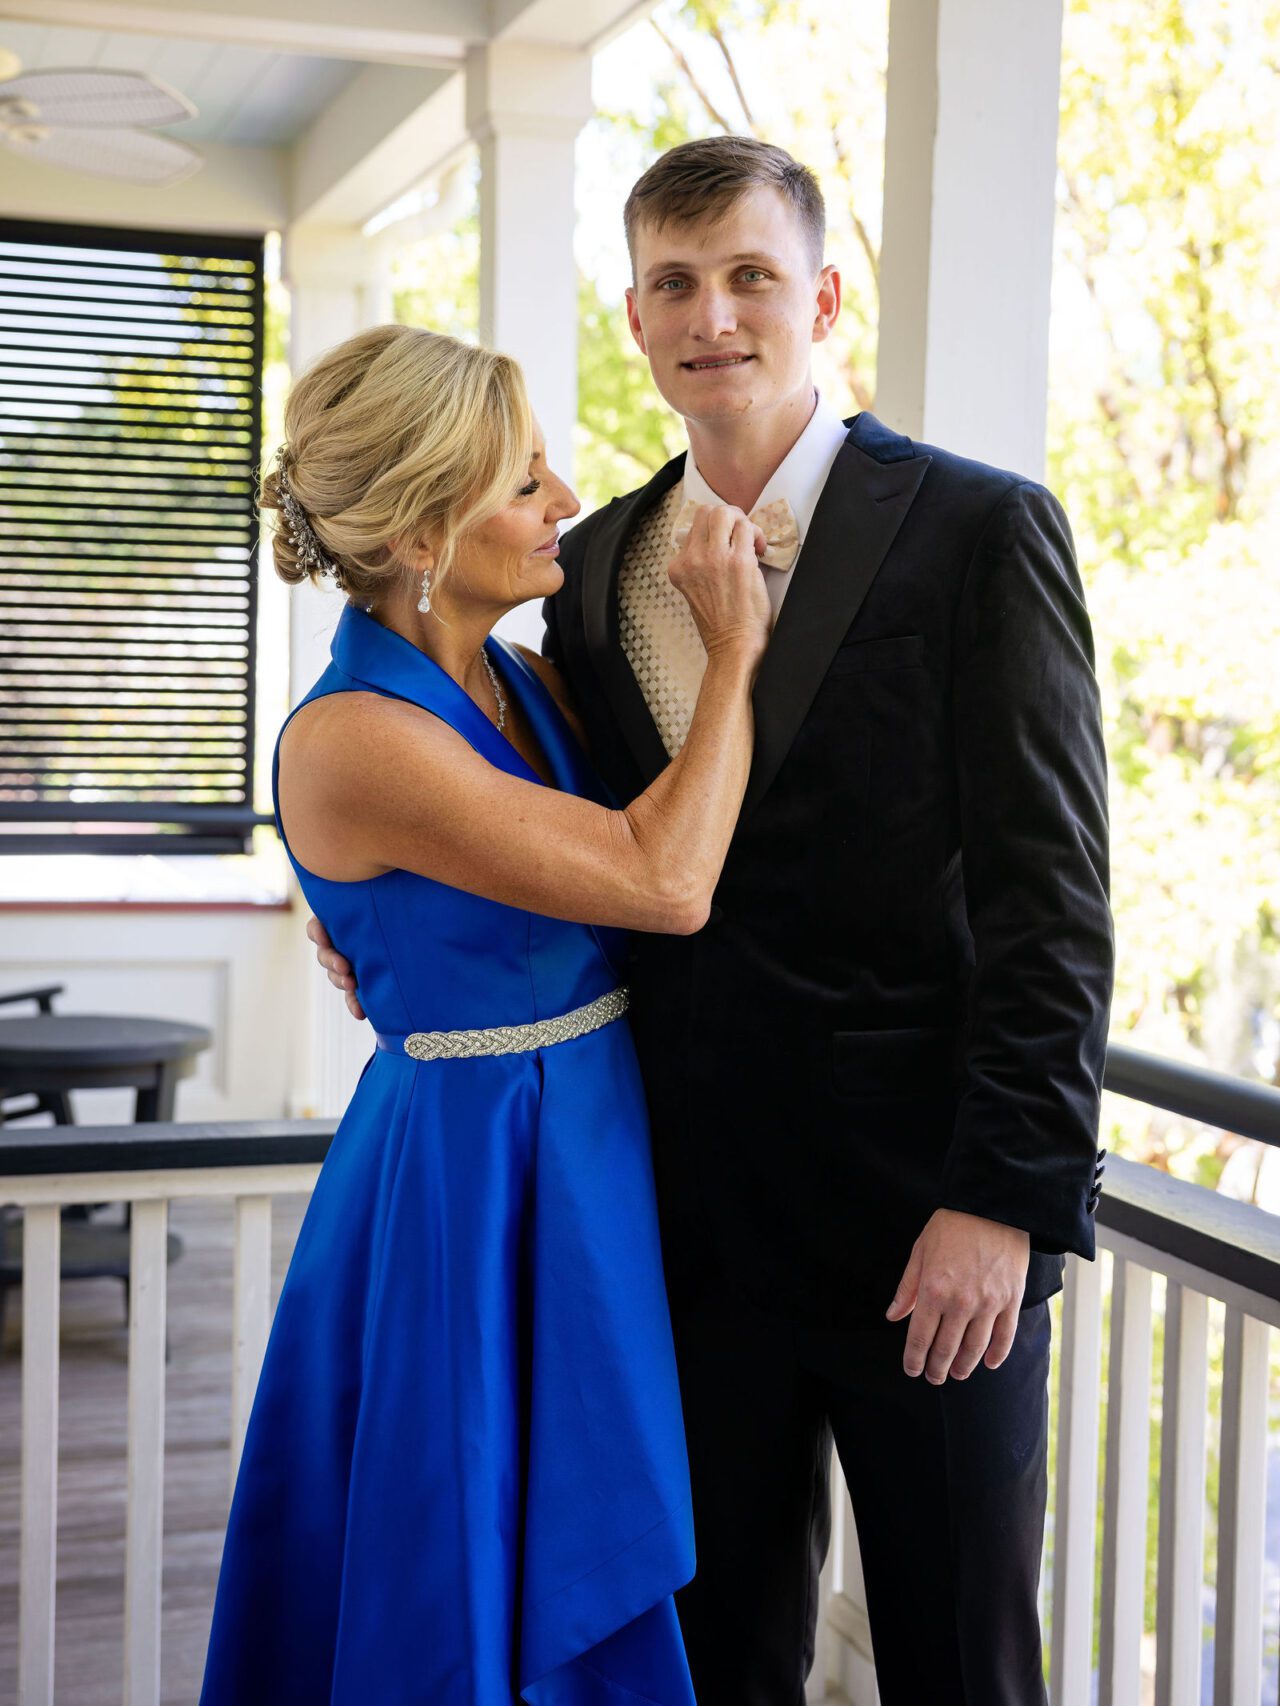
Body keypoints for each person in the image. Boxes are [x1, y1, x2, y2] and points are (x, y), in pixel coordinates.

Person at [316, 137, 1115, 1704]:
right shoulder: (591, 564)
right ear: (635, 317)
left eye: (752, 275)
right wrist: (358, 912)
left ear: (818, 295)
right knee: (714, 1659)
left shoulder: (977, 531)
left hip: (927, 1239)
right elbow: (527, 818)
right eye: (675, 283)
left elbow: (1056, 907)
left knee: (965, 1659)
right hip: (676, 1243)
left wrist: (1003, 1204)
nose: (715, 315)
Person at [199, 322, 773, 1706]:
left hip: (582, 1140)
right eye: (524, 481)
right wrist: (736, 651)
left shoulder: (516, 676)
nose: (565, 496)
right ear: (414, 532)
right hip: (472, 1173)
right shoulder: (354, 735)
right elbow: (666, 875)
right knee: (457, 1546)